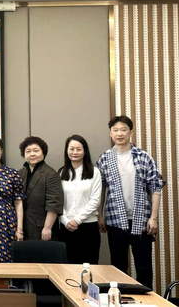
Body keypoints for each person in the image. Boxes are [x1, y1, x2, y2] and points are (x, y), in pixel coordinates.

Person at [97, 115, 166, 288]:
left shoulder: (143, 157)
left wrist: (154, 217)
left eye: (123, 130)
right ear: (111, 133)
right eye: (115, 130)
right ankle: (119, 299)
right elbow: (100, 190)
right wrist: (99, 215)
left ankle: (147, 300)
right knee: (118, 267)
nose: (119, 133)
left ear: (131, 132)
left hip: (141, 220)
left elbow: (155, 187)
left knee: (144, 267)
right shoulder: (104, 158)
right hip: (114, 220)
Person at [58, 134, 102, 264]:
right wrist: (65, 220)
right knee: (68, 267)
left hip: (89, 227)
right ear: (67, 151)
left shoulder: (94, 172)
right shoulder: (61, 172)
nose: (75, 152)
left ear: (85, 151)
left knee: (89, 266)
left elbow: (95, 200)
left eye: (79, 149)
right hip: (66, 227)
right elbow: (58, 200)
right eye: (71, 149)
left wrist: (77, 220)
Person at [18, 136, 63, 241]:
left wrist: (47, 228)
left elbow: (54, 204)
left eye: (36, 150)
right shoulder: (20, 173)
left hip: (42, 227)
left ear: (43, 152)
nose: (32, 154)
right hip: (24, 226)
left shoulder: (51, 174)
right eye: (28, 151)